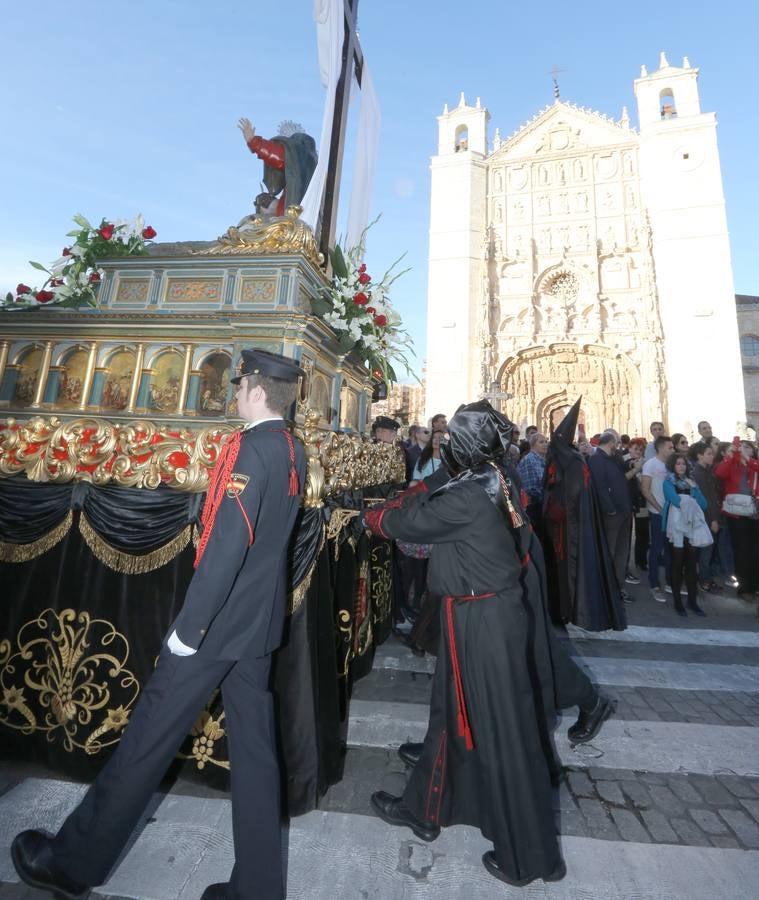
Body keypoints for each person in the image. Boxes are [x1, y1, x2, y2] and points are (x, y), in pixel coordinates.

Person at [11, 349, 307, 900]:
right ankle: (259, 889)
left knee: (146, 740)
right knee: (257, 754)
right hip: (257, 627)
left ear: (257, 391)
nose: (234, 393)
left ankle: (72, 863)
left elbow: (227, 547)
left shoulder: (253, 450)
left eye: (239, 385)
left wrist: (189, 629)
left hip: (216, 628)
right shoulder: (293, 448)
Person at [364, 401, 611, 887]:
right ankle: (425, 809)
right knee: (451, 715)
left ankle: (528, 856)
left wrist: (370, 514)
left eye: (453, 440)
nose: (447, 445)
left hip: (484, 619)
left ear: (469, 446)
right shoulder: (493, 477)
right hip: (477, 612)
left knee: (503, 730)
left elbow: (399, 524)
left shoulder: (468, 495)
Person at [542, 400, 625, 630]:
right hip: (565, 524)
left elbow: (570, 491)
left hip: (569, 525)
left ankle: (567, 610)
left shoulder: (568, 459)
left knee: (567, 569)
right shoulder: (567, 458)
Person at [238, 117, 317, 216]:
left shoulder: (301, 155)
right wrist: (269, 203)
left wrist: (254, 142)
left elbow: (280, 156)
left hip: (294, 222)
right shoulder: (310, 168)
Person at [663, 453, 710, 617]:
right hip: (676, 526)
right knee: (677, 565)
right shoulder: (668, 481)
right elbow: (674, 500)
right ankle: (677, 602)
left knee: (691, 566)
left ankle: (692, 601)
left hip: (691, 527)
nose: (681, 466)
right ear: (672, 466)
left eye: (683, 464)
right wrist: (690, 501)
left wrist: (694, 489)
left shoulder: (692, 482)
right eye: (678, 464)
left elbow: (704, 504)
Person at [588, 432, 633, 603]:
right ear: (612, 442)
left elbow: (621, 477)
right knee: (610, 551)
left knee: (622, 550)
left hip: (624, 511)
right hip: (612, 514)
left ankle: (618, 585)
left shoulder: (614, 458)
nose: (619, 446)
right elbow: (600, 486)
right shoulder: (597, 459)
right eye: (618, 443)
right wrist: (610, 509)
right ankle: (606, 588)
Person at [715, 439, 759, 598]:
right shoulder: (731, 463)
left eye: (747, 447)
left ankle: (755, 585)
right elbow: (720, 473)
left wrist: (748, 459)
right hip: (737, 514)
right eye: (741, 447)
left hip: (755, 513)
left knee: (755, 550)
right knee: (741, 551)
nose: (743, 449)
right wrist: (732, 455)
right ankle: (744, 588)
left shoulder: (754, 464)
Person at [641, 434, 674, 601]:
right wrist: (659, 509)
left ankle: (670, 582)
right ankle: (654, 584)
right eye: (670, 447)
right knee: (656, 548)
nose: (672, 449)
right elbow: (645, 490)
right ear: (661, 448)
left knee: (670, 549)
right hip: (658, 514)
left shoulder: (672, 465)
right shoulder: (650, 465)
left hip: (673, 514)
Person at [689, 440, 721, 591]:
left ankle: (706, 577)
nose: (712, 456)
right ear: (699, 456)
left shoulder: (707, 470)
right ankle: (704, 581)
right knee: (706, 551)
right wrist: (713, 520)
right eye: (709, 454)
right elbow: (706, 499)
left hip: (711, 515)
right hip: (706, 518)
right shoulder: (698, 473)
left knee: (708, 550)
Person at [517, 431, 548, 532]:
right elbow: (530, 488)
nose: (545, 444)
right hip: (534, 508)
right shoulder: (529, 461)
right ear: (533, 445)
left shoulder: (543, 460)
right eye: (541, 442)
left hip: (543, 506)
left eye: (546, 441)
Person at [628, 438, 649, 573]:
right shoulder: (625, 461)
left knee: (643, 532)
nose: (638, 452)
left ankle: (641, 561)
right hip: (629, 502)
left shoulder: (646, 464)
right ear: (629, 449)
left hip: (642, 502)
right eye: (635, 449)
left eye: (641, 450)